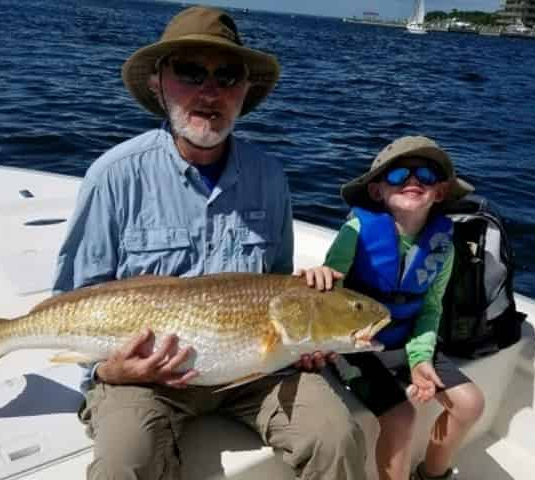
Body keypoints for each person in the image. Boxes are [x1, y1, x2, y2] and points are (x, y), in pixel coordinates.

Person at [53, 6, 366, 480]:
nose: (210, 90)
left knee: (337, 438)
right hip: (146, 377)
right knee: (122, 465)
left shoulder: (270, 176)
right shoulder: (113, 175)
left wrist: (307, 341)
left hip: (257, 375)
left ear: (244, 91)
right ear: (159, 83)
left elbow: (277, 287)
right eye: (191, 71)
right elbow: (76, 300)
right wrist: (109, 372)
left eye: (228, 76)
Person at [299, 136, 485, 480]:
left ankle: (432, 474)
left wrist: (420, 360)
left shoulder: (443, 246)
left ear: (440, 192)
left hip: (408, 339)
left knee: (470, 404)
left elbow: (430, 309)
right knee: (401, 418)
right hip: (354, 346)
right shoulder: (355, 231)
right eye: (399, 174)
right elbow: (329, 296)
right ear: (377, 191)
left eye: (426, 175)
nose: (413, 181)